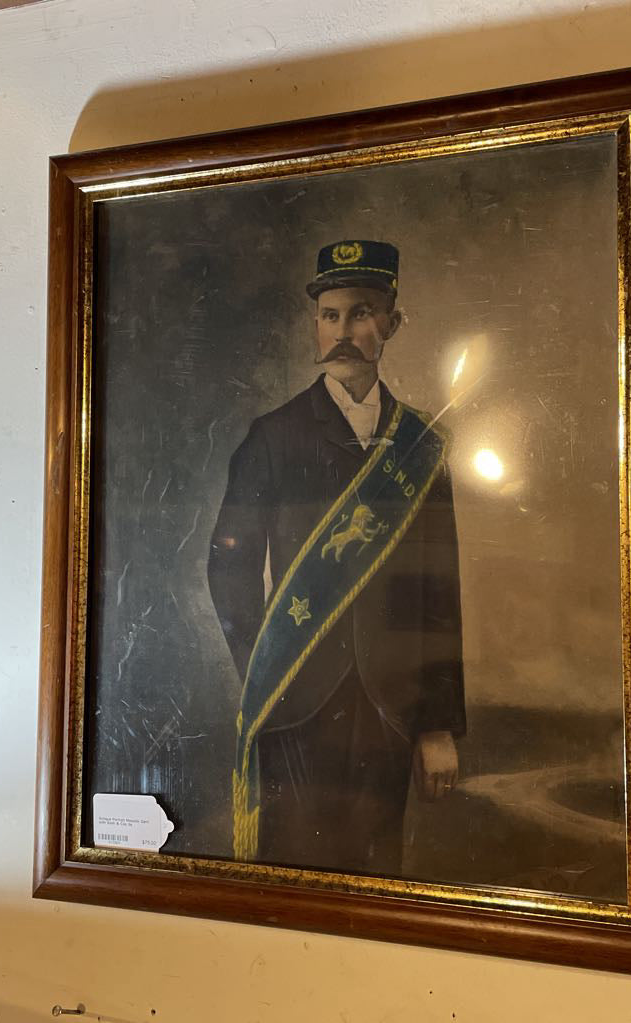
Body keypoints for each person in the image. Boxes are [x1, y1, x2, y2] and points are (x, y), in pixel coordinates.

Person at [207, 239, 465, 877]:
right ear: (314, 326)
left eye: (361, 312)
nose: (343, 331)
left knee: (377, 877)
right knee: (291, 874)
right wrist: (266, 663)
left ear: (391, 324)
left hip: (390, 705)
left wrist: (436, 725)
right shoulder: (273, 436)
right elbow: (230, 568)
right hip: (296, 699)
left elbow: (439, 592)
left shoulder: (420, 446)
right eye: (330, 315)